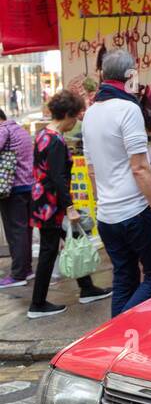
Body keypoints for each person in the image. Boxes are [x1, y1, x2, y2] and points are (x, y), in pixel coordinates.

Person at [83, 50, 151, 317]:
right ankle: (118, 331)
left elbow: (91, 169)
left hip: (107, 216)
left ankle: (116, 343)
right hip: (134, 213)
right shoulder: (128, 109)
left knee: (125, 276)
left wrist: (101, 203)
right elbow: (140, 168)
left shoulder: (90, 113)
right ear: (131, 76)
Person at [28, 90, 111, 319]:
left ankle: (87, 288)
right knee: (48, 250)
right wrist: (70, 208)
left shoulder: (43, 135)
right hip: (51, 204)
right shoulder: (54, 141)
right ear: (66, 114)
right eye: (74, 116)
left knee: (73, 240)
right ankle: (37, 304)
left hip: (44, 200)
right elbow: (58, 178)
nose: (75, 122)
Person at [0, 107, 35, 288]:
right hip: (28, 186)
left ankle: (18, 274)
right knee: (24, 231)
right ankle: (26, 269)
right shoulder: (19, 129)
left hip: (12, 188)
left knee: (16, 232)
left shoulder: (3, 131)